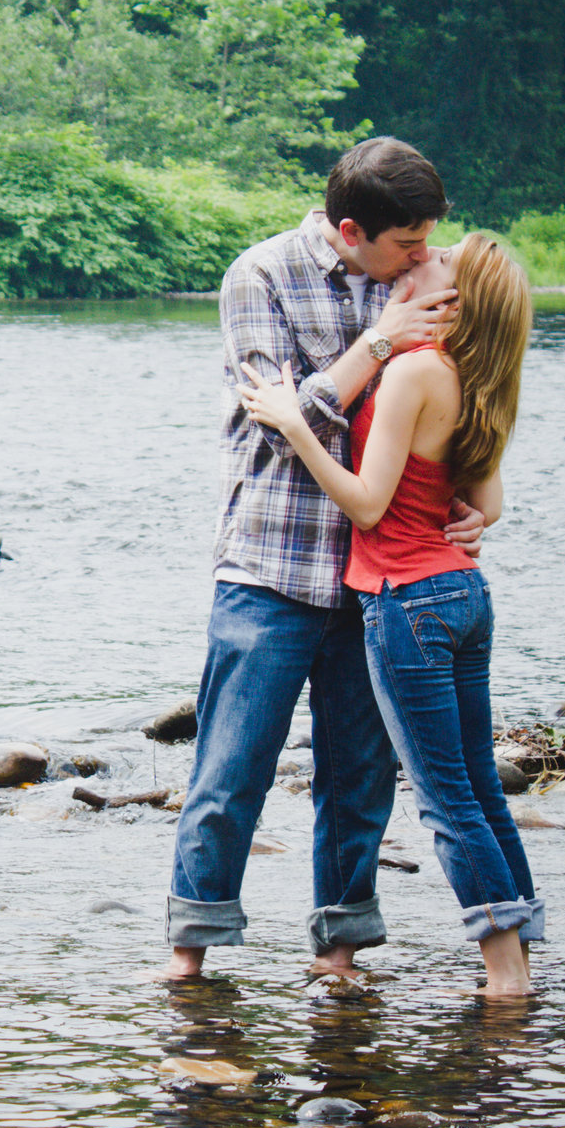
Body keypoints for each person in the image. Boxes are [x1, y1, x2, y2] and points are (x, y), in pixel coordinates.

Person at [163, 137, 482, 984]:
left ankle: (338, 951)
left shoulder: (415, 271)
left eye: (427, 241)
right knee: (232, 766)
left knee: (358, 778)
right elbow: (278, 418)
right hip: (269, 565)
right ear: (351, 229)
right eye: (408, 244)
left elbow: (462, 388)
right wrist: (376, 342)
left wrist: (474, 494)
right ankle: (189, 953)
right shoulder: (259, 276)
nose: (424, 257)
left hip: (378, 579)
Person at [237, 234, 541, 995]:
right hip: (465, 596)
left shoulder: (412, 372)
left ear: (454, 297)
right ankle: (519, 959)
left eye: (443, 256)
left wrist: (294, 421)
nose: (425, 253)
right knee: (479, 785)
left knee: (445, 798)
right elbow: (490, 503)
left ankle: (504, 973)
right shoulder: (479, 372)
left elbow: (369, 504)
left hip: (407, 599)